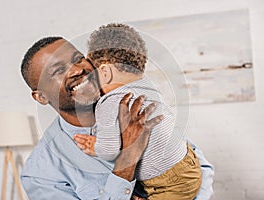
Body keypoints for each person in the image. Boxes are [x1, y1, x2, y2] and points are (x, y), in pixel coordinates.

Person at [20, 36, 214, 199]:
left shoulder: (132, 103)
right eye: (58, 70)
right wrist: (128, 155)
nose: (78, 70)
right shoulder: (40, 174)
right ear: (41, 97)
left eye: (78, 58)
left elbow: (200, 167)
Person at [73, 23, 201, 200]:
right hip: (188, 161)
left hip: (168, 182)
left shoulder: (109, 102)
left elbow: (110, 151)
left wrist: (95, 147)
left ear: (104, 71)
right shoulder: (147, 86)